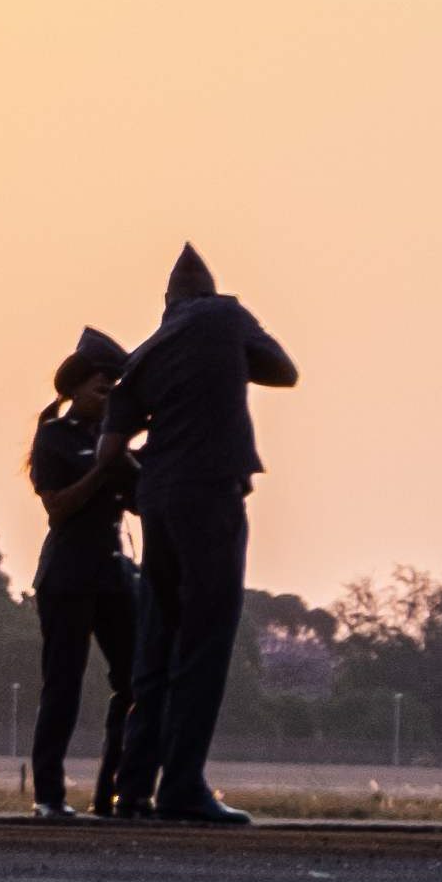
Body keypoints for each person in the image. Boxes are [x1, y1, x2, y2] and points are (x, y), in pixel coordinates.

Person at [111, 243, 293, 823]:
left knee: (156, 642)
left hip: (158, 499)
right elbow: (283, 371)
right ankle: (182, 787)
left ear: (166, 303)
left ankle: (132, 788)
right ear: (207, 293)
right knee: (205, 641)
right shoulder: (224, 315)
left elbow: (112, 449)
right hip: (211, 493)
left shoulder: (144, 355)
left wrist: (149, 480)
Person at [22, 328, 145, 820]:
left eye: (114, 386)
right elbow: (58, 508)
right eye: (100, 385)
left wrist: (133, 460)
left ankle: (112, 793)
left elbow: (138, 500)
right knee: (63, 686)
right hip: (68, 578)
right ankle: (49, 796)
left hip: (113, 577)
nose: (108, 393)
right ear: (75, 388)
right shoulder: (54, 437)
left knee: (135, 684)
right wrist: (101, 470)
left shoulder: (112, 439)